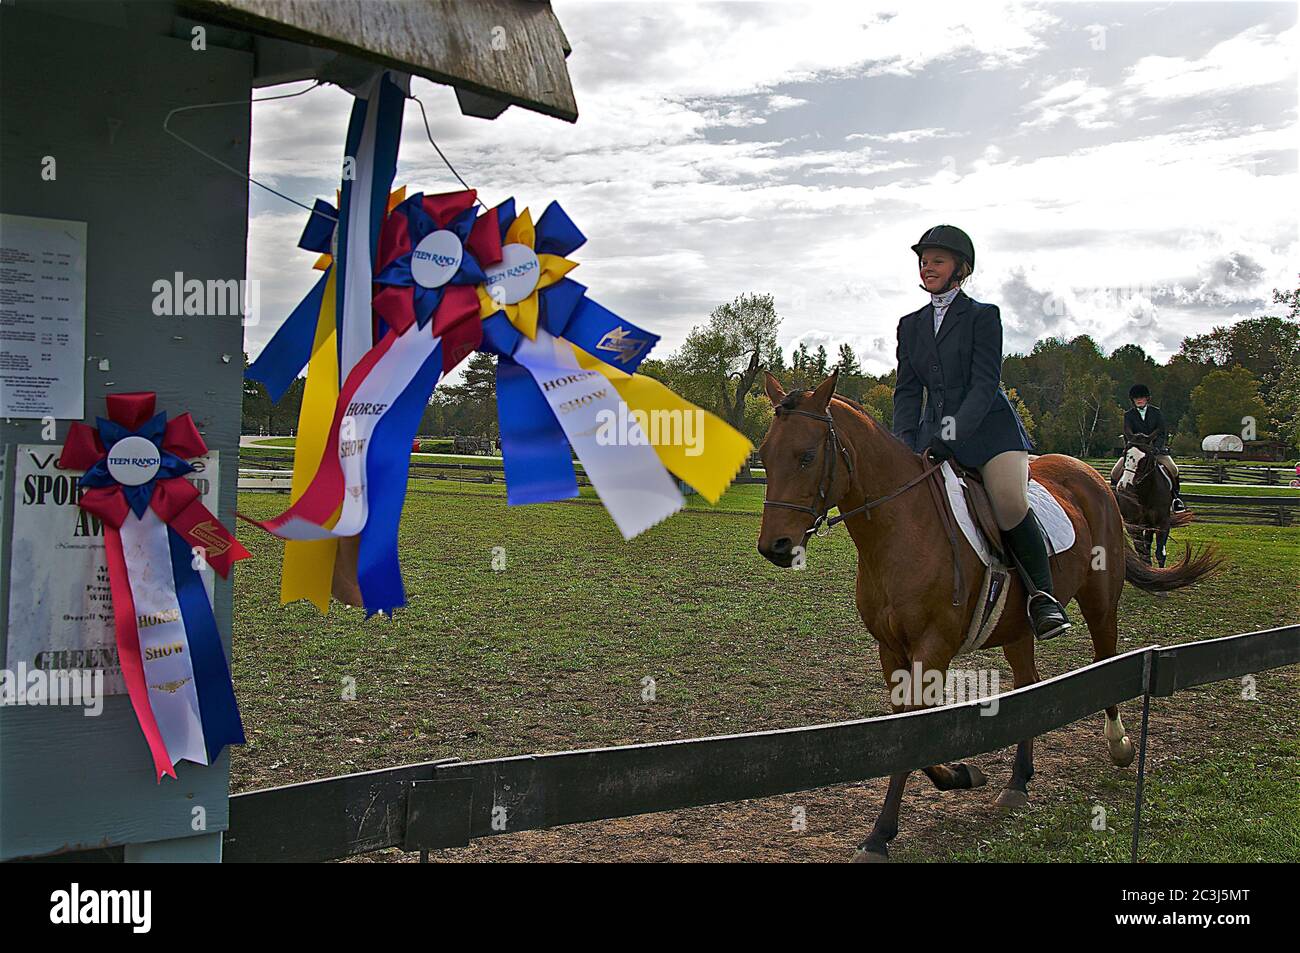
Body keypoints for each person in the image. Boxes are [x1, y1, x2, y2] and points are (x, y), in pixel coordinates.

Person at [892, 225, 1071, 641]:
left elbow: (983, 384)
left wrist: (948, 436)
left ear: (961, 269)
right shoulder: (910, 324)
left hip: (990, 433)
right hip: (931, 435)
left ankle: (1043, 598)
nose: (927, 266)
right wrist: (904, 442)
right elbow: (906, 390)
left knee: (1008, 503)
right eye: (923, 259)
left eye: (937, 260)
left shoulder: (983, 316)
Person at [1109, 384, 1185, 513]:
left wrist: (1156, 448)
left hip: (1156, 451)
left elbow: (1161, 432)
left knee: (1173, 469)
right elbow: (1128, 433)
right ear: (1132, 400)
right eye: (1136, 398)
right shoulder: (1129, 415)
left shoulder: (1156, 412)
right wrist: (1132, 447)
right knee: (1115, 472)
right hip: (1135, 451)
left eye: (1142, 398)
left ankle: (1175, 500)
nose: (1139, 400)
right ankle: (1115, 500)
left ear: (1147, 399)